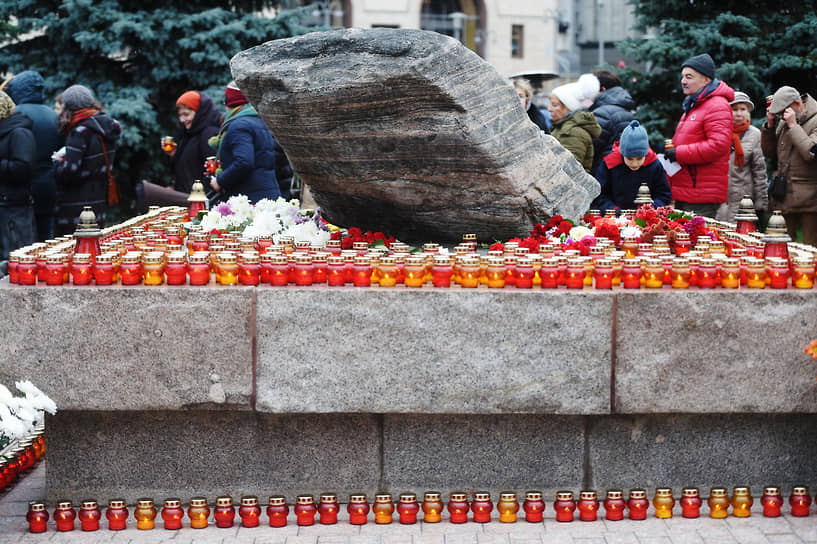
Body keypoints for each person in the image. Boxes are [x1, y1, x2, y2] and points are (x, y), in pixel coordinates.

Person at [663, 53, 734, 218]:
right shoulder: (695, 104)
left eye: (689, 77)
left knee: (698, 240)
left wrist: (679, 153)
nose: (683, 81)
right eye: (682, 77)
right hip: (688, 190)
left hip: (702, 194)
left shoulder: (717, 105)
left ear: (706, 80)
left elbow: (718, 145)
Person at [53, 84, 121, 235]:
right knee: (93, 247)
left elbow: (70, 171)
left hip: (76, 205)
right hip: (98, 200)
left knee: (75, 250)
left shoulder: (79, 132)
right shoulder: (106, 126)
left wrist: (57, 163)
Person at [5, 71, 60, 242]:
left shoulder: (15, 115)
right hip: (50, 187)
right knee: (46, 239)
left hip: (20, 190)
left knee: (22, 242)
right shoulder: (53, 116)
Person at [761, 85, 817, 245]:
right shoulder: (786, 120)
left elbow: (810, 152)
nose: (782, 117)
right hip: (784, 194)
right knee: (784, 246)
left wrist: (793, 126)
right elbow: (770, 152)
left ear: (798, 104)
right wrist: (770, 126)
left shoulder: (813, 119)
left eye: (783, 112)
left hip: (810, 197)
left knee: (810, 249)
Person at [208, 82, 280, 203]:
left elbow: (244, 162)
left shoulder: (239, 126)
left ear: (229, 102)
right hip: (266, 194)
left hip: (250, 199)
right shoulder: (259, 120)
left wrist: (220, 180)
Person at [591, 120, 671, 214]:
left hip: (647, 218)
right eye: (629, 159)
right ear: (622, 154)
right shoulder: (610, 163)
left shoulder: (654, 164)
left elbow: (663, 195)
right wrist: (615, 211)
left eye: (639, 158)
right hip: (614, 218)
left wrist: (650, 210)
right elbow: (599, 195)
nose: (635, 164)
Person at [715, 91, 768, 223]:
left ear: (748, 112)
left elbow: (759, 171)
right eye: (734, 109)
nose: (739, 114)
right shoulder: (718, 132)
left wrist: (761, 204)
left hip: (743, 200)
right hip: (719, 199)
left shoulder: (754, 135)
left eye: (743, 109)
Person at [0, 90, 36, 260]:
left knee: (14, 260)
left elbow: (23, 168)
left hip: (13, 207)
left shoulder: (19, 133)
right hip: (6, 205)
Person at [166, 90, 222, 194]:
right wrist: (174, 155)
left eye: (186, 115)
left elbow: (213, 172)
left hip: (200, 201)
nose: (182, 119)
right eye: (180, 115)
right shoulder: (189, 134)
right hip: (187, 198)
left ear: (199, 113)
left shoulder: (208, 134)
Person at [548, 82, 602, 172]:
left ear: (568, 107)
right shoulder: (562, 127)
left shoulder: (572, 132)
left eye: (555, 105)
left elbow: (569, 169)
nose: (549, 109)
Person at [589, 69, 636, 173]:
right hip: (620, 171)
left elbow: (590, 147)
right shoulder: (624, 107)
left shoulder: (602, 112)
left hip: (602, 173)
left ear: (603, 89)